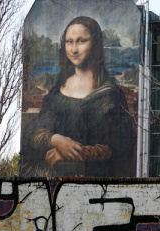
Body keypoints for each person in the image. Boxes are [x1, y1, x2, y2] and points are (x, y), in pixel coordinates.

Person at [23, 16, 134, 177]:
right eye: (69, 41)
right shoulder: (57, 92)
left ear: (95, 44)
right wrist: (56, 139)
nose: (74, 49)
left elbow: (122, 146)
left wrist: (75, 153)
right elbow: (35, 131)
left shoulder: (111, 95)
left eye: (81, 41)